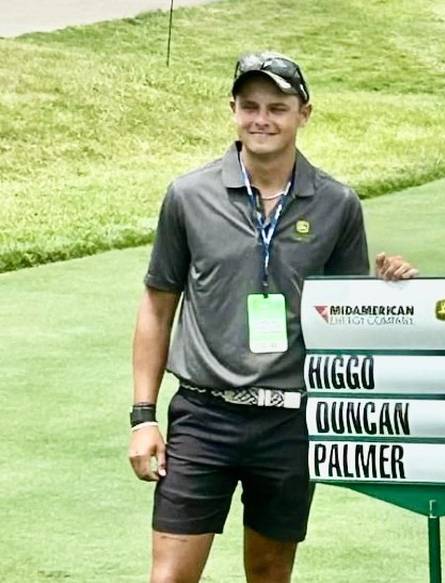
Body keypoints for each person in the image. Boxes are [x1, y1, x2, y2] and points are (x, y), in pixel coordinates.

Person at [127, 51, 415, 583]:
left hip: (290, 420)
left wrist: (386, 289)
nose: (262, 119)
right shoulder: (189, 196)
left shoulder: (337, 204)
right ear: (234, 110)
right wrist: (144, 417)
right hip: (203, 414)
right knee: (169, 576)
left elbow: (348, 317)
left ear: (303, 113)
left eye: (277, 107)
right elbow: (157, 303)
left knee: (268, 573)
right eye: (250, 106)